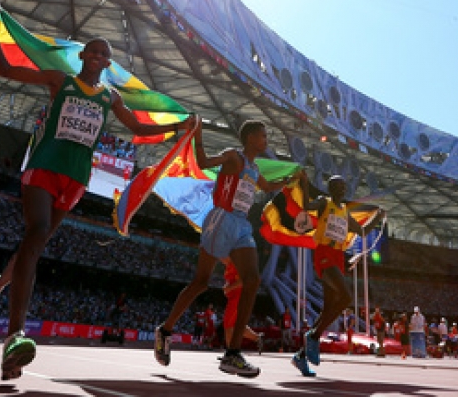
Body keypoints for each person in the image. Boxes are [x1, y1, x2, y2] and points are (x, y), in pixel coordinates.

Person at [0, 0, 195, 381]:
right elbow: (4, 68)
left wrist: (177, 128)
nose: (98, 56)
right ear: (83, 56)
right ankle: (14, 336)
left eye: (104, 54)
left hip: (75, 178)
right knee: (36, 234)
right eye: (93, 51)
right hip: (44, 165)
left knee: (34, 245)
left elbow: (137, 128)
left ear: (107, 63)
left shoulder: (110, 97)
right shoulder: (62, 81)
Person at [153, 118, 299, 378]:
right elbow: (203, 162)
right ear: (251, 137)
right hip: (221, 220)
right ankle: (165, 330)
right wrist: (198, 134)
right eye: (263, 135)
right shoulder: (233, 156)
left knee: (253, 280)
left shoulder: (253, 168)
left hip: (241, 225)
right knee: (201, 282)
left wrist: (290, 181)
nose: (266, 140)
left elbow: (267, 187)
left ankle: (233, 353)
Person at [291, 175, 382, 376]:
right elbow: (307, 205)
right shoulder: (324, 202)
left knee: (328, 309)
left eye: (343, 186)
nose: (341, 189)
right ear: (331, 188)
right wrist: (304, 185)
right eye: (337, 186)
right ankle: (314, 336)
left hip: (338, 257)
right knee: (346, 297)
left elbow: (363, 231)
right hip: (324, 253)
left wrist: (378, 217)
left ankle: (301, 356)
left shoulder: (344, 212)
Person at [220, 261, 264, 354]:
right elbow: (233, 280)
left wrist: (229, 288)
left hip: (238, 297)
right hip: (234, 297)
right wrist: (227, 286)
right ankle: (257, 337)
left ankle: (231, 353)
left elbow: (245, 280)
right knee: (236, 325)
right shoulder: (229, 265)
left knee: (228, 325)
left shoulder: (238, 262)